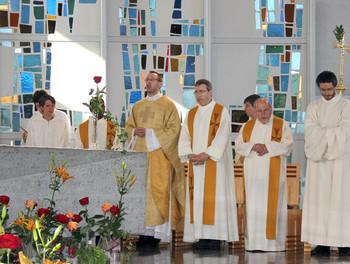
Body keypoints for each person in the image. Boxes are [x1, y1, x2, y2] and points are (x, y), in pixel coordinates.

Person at [125, 71, 185, 248]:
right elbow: (128, 128)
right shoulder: (137, 105)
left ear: (160, 84)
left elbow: (175, 131)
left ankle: (156, 236)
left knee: (157, 194)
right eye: (147, 80)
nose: (149, 82)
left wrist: (151, 133)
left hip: (160, 159)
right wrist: (134, 132)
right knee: (141, 195)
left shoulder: (168, 105)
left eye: (153, 80)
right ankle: (141, 233)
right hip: (140, 159)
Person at [178, 79, 239, 250]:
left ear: (210, 92)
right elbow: (184, 137)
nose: (199, 95)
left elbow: (223, 136)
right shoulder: (191, 113)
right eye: (196, 92)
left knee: (214, 199)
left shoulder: (221, 111)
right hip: (195, 164)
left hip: (213, 163)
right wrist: (189, 154)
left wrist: (206, 154)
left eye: (202, 91)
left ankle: (214, 237)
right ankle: (200, 236)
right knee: (197, 199)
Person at [301, 71, 350, 256]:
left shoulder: (346, 107)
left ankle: (345, 242)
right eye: (323, 90)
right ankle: (321, 243)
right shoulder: (313, 107)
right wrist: (331, 133)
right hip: (319, 161)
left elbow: (346, 130)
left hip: (340, 162)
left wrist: (325, 133)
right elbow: (310, 131)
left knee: (341, 200)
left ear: (335, 86)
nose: (327, 93)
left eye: (329, 89)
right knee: (320, 200)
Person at [235, 98, 293, 251]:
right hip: (253, 177)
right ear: (255, 111)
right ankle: (254, 243)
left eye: (266, 110)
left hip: (274, 177)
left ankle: (275, 245)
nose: (263, 114)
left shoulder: (281, 125)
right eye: (259, 111)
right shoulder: (247, 126)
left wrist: (268, 147)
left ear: (271, 109)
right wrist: (253, 146)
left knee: (274, 207)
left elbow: (288, 144)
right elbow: (238, 145)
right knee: (254, 207)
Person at [235, 94, 261, 164]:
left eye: (247, 106)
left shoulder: (269, 124)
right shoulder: (246, 126)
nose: (245, 109)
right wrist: (241, 157)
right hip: (248, 163)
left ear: (256, 106)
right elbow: (238, 145)